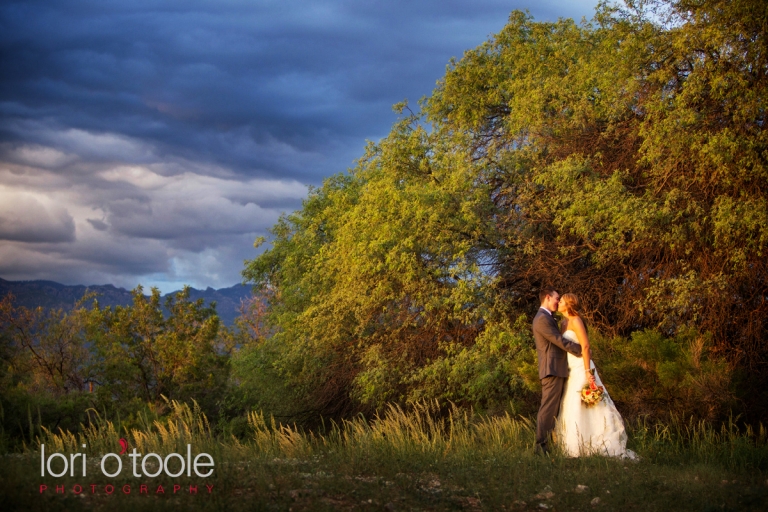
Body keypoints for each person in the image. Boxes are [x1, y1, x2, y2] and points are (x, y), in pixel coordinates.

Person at [555, 293, 637, 459]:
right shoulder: (563, 323)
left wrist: (588, 371)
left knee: (587, 404)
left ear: (569, 304)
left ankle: (595, 443)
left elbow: (585, 346)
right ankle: (574, 446)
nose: (559, 303)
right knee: (570, 404)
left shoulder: (576, 320)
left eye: (562, 301)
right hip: (569, 369)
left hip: (580, 366)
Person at [532, 288, 583, 454]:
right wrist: (578, 348)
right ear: (548, 297)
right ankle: (541, 447)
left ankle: (551, 444)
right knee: (548, 408)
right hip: (551, 369)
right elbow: (558, 340)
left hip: (557, 368)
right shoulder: (541, 319)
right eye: (557, 298)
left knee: (554, 409)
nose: (558, 301)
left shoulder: (547, 317)